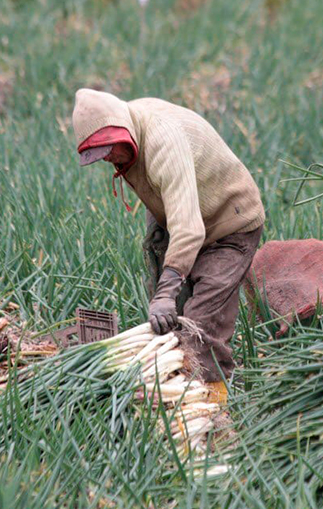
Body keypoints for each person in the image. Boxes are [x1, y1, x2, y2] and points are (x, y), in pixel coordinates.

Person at [71, 88, 265, 390]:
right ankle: (174, 387)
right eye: (100, 154)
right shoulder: (128, 123)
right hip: (185, 213)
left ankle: (215, 408)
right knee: (169, 322)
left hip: (230, 223)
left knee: (201, 327)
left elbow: (189, 229)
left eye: (110, 149)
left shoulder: (164, 141)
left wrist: (165, 292)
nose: (109, 158)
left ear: (123, 132)